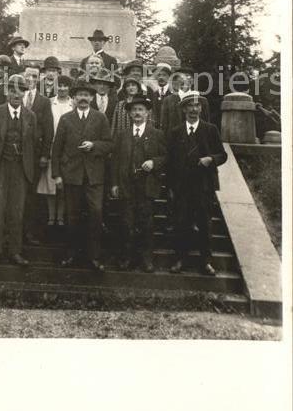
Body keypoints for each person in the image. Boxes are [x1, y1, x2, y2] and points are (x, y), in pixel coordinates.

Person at [52, 77, 113, 271]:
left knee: (96, 214)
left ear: (91, 97)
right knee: (73, 217)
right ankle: (71, 254)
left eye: (87, 95)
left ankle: (94, 257)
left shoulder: (100, 117)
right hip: (72, 175)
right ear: (74, 98)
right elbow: (56, 149)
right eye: (79, 95)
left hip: (94, 177)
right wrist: (57, 174)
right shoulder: (66, 119)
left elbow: (109, 144)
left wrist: (94, 145)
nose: (83, 98)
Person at [167, 91, 227, 276]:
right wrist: (170, 187)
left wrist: (211, 158)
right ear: (184, 109)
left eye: (197, 106)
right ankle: (180, 259)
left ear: (201, 109)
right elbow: (169, 161)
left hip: (203, 185)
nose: (193, 109)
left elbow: (223, 155)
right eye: (190, 106)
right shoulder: (175, 132)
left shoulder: (210, 129)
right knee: (181, 222)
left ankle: (206, 262)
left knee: (204, 223)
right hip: (182, 186)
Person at [0, 74, 37, 266]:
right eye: (12, 89)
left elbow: (33, 145)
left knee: (17, 211)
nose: (16, 94)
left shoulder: (30, 116)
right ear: (6, 92)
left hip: (20, 169)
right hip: (0, 167)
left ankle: (15, 252)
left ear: (24, 93)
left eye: (20, 90)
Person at [111, 94, 166, 271]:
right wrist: (114, 184)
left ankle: (146, 259)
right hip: (126, 185)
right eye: (134, 110)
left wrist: (154, 162)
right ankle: (126, 258)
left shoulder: (156, 134)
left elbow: (166, 157)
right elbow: (115, 161)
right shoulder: (122, 135)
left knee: (146, 224)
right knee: (126, 223)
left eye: (140, 110)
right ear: (129, 114)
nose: (137, 113)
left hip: (146, 186)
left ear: (147, 113)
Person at [22, 63, 54, 243]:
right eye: (28, 76)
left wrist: (44, 155)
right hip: (16, 154)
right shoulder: (16, 96)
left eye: (34, 76)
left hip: (35, 155)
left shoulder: (43, 101)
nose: (31, 79)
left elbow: (48, 130)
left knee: (32, 195)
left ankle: (30, 232)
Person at [37, 74, 74, 226]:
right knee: (50, 184)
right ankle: (51, 216)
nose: (63, 88)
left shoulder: (74, 103)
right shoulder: (49, 102)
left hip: (68, 148)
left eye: (65, 86)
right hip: (51, 146)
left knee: (64, 183)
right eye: (60, 85)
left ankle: (61, 216)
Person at [160, 67, 210, 138]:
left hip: (197, 140)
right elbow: (164, 125)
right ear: (176, 81)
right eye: (181, 77)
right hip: (174, 141)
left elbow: (206, 123)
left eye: (188, 77)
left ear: (193, 81)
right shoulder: (168, 100)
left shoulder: (201, 100)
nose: (185, 80)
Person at [151, 62, 173, 129]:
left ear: (169, 77)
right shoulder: (152, 94)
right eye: (159, 75)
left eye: (164, 75)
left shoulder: (174, 93)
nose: (161, 77)